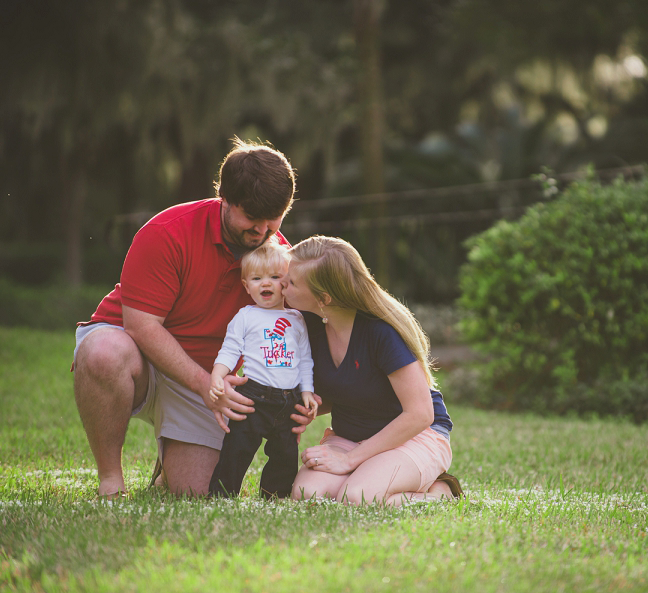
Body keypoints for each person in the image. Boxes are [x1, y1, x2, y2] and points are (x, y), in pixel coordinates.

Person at [72, 138, 315, 498]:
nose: (263, 231)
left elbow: (295, 333)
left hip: (205, 377)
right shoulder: (168, 232)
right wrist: (204, 384)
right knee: (103, 352)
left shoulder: (277, 257)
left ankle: (167, 464)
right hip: (138, 354)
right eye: (251, 218)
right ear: (225, 199)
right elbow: (141, 326)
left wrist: (302, 397)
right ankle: (110, 480)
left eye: (273, 219)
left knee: (197, 493)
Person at [282, 236, 462, 505]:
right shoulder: (307, 324)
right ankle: (366, 474)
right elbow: (352, 387)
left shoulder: (381, 333)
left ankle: (441, 493)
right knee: (307, 495)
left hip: (413, 436)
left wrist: (349, 460)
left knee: (358, 497)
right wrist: (312, 407)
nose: (282, 284)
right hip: (351, 435)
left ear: (323, 298)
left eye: (292, 282)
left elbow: (421, 414)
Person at [208, 240, 318, 498]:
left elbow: (304, 360)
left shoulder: (296, 319)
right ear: (246, 286)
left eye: (275, 277)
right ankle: (222, 495)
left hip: (288, 399)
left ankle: (274, 497)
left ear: (287, 283)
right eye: (257, 278)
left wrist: (307, 391)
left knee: (285, 453)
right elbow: (230, 349)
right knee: (237, 448)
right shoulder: (246, 316)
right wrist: (218, 374)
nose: (266, 283)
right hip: (254, 397)